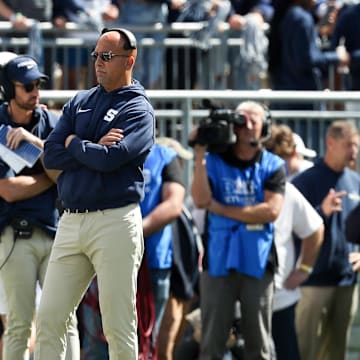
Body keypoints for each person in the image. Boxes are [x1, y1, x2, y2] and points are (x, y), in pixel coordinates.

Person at [35, 27, 155, 359]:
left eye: (106, 56)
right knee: (48, 318)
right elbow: (52, 153)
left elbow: (109, 159)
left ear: (129, 60)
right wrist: (83, 147)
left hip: (114, 221)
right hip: (71, 220)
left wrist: (74, 144)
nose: (98, 63)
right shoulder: (81, 100)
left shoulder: (139, 110)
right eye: (95, 56)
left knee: (118, 326)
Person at [191, 100, 286, 359]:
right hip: (219, 260)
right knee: (212, 341)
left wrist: (221, 209)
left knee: (259, 343)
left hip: (258, 260)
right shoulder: (213, 160)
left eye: (255, 120)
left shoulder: (273, 165)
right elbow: (200, 200)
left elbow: (271, 211)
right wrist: (199, 153)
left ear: (265, 126)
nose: (249, 126)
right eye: (243, 119)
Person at [0, 54, 80, 359]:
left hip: (57, 232)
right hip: (15, 235)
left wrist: (35, 142)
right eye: (28, 86)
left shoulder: (51, 122)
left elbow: (66, 173)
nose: (35, 92)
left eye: (38, 84)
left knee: (65, 319)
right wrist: (52, 176)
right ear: (10, 89)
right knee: (19, 324)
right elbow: (7, 190)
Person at [292, 120, 360, 360]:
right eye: (349, 145)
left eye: (356, 145)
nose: (354, 151)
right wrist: (321, 211)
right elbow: (289, 227)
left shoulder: (356, 181)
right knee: (306, 351)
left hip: (346, 282)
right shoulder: (305, 181)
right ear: (330, 143)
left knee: (337, 353)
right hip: (312, 283)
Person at [264, 124, 324, 360]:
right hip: (238, 297)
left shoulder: (288, 190)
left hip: (281, 297)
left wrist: (304, 269)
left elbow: (315, 228)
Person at [268, 0, 350, 110]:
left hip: (284, 93)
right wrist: (337, 57)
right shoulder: (301, 18)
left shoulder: (287, 15)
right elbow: (307, 59)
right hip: (303, 97)